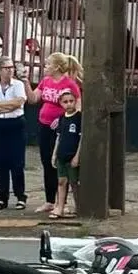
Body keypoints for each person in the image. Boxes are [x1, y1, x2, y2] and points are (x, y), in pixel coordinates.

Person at [23, 52, 82, 214]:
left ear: (56, 67)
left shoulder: (69, 84)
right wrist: (26, 83)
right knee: (47, 162)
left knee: (60, 162)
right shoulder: (46, 81)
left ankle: (61, 202)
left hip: (60, 129)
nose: (45, 67)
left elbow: (77, 107)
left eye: (48, 64)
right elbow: (34, 99)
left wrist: (65, 121)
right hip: (44, 125)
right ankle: (49, 200)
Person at [0, 56, 28, 210]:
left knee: (17, 162)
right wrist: (4, 106)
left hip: (15, 124)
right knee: (0, 161)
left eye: (12, 68)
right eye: (7, 68)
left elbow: (18, 103)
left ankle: (20, 196)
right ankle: (2, 197)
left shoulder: (18, 85)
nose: (10, 70)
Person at [50, 90, 81, 219]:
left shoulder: (79, 117)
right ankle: (60, 208)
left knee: (74, 183)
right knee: (62, 181)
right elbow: (59, 137)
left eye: (71, 101)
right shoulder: (62, 118)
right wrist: (54, 155)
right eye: (65, 102)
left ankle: (79, 207)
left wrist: (77, 156)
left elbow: (81, 138)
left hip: (72, 155)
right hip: (61, 155)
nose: (68, 104)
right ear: (61, 103)